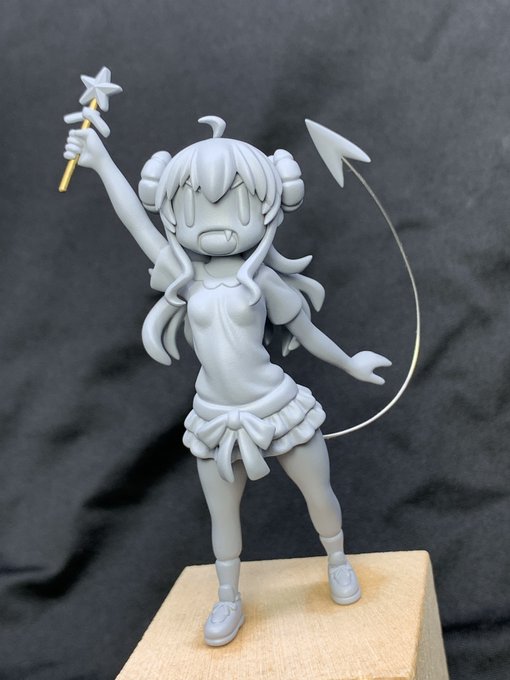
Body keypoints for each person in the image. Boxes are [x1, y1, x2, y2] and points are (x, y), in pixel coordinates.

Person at [63, 115, 391, 646]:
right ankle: (228, 598)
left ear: (270, 209)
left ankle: (337, 561)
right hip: (215, 418)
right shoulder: (184, 277)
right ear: (172, 211)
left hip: (277, 407)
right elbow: (136, 224)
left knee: (319, 493)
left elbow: (306, 332)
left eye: (238, 207)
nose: (217, 225)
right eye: (194, 208)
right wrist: (100, 162)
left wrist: (351, 363)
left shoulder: (262, 280)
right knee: (222, 517)